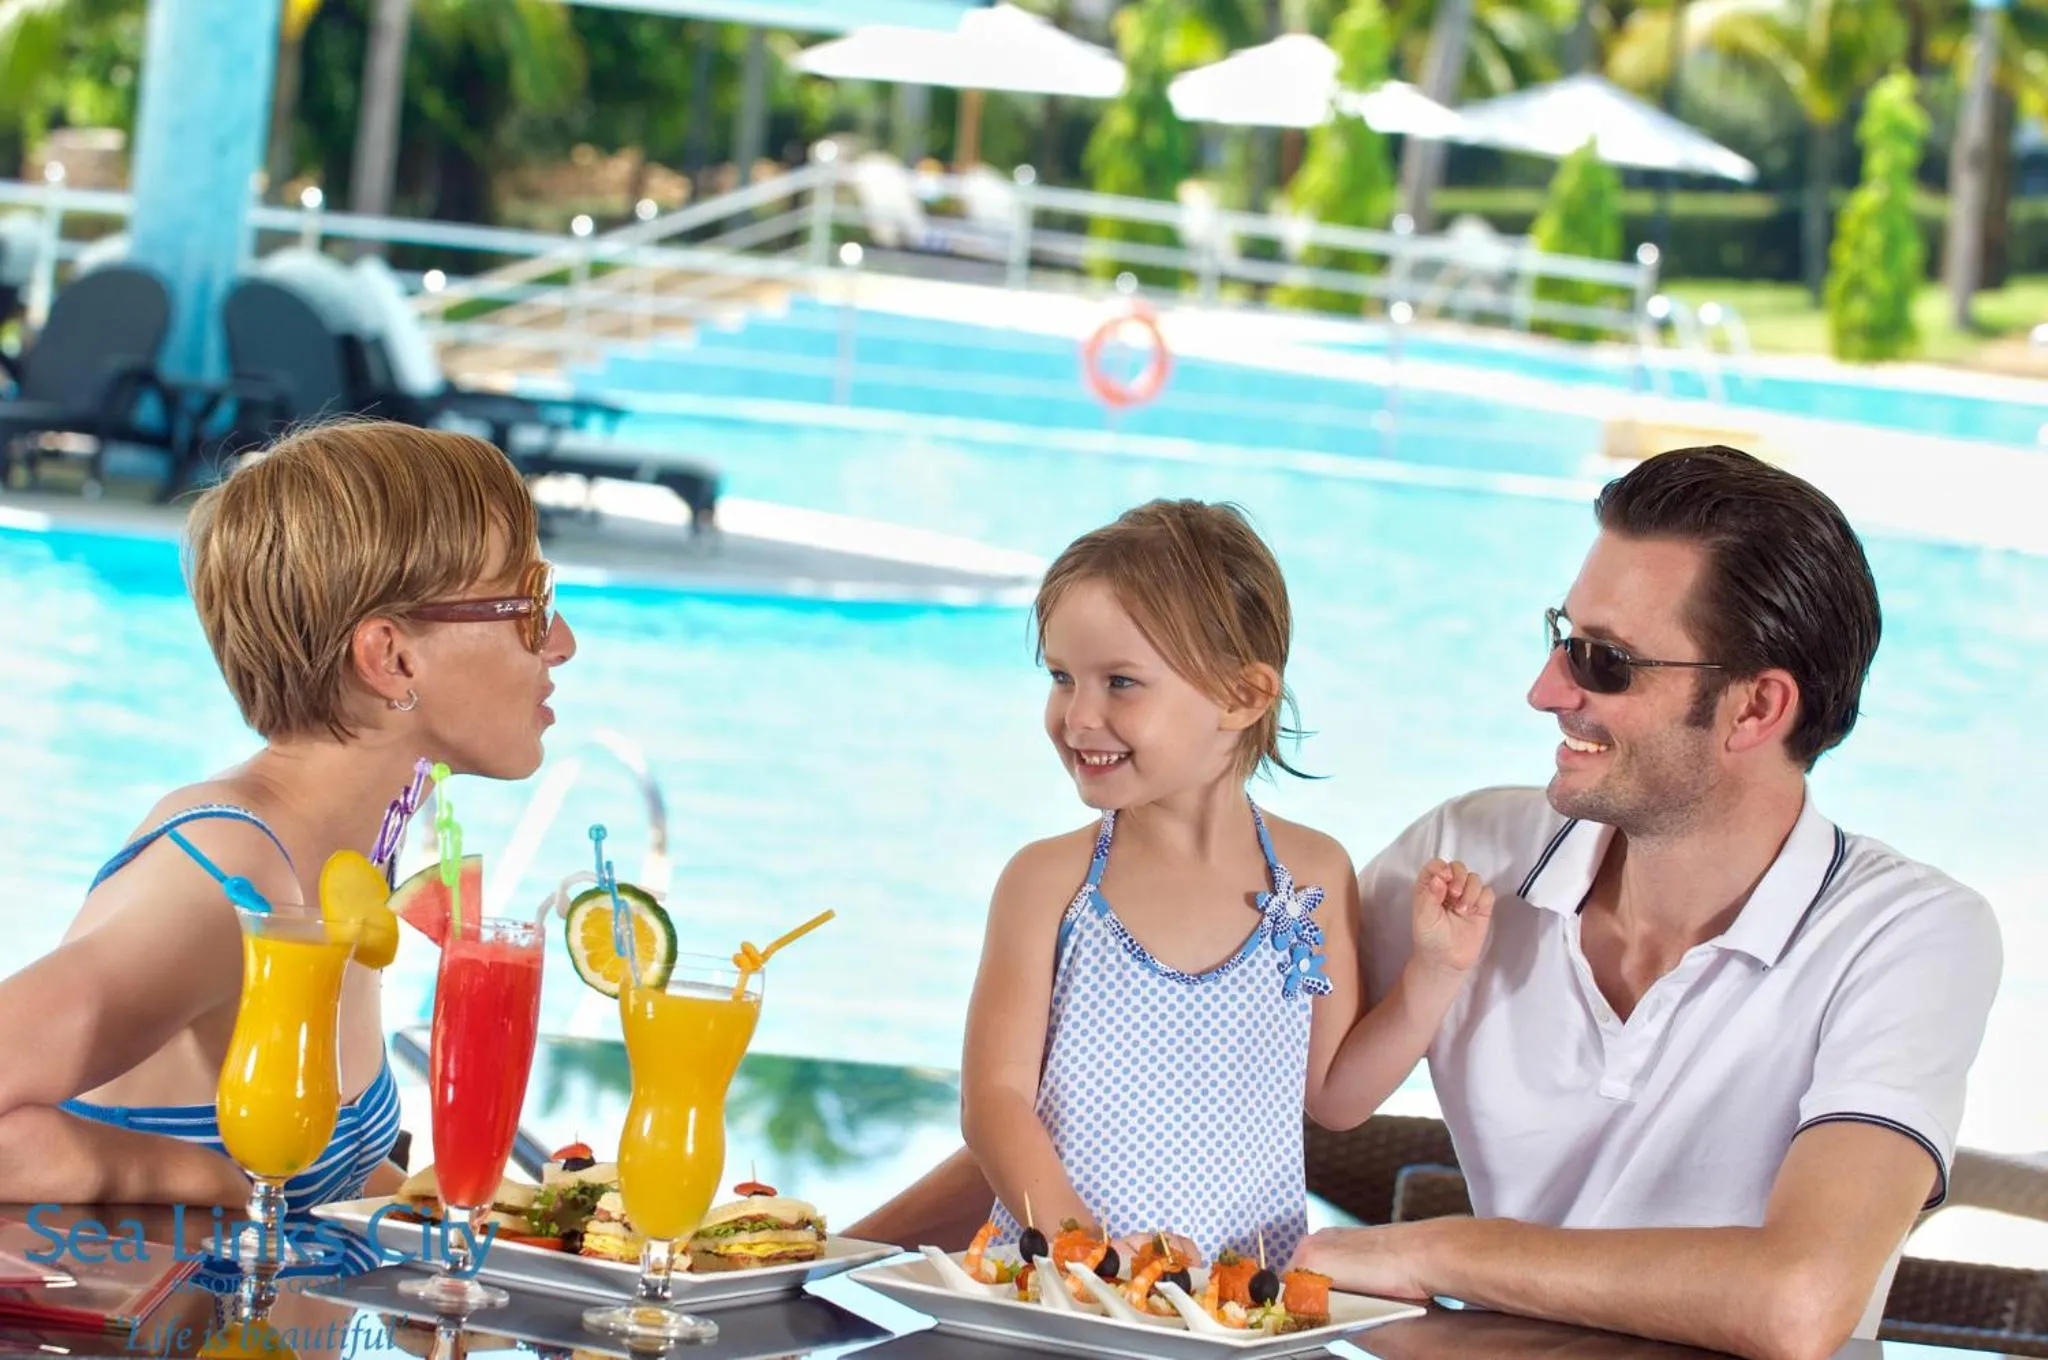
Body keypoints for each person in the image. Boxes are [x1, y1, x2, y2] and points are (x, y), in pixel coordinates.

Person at [850, 448, 2000, 1360]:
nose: (1544, 688)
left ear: (1754, 710)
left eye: (1602, 660)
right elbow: (1125, 1069)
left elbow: (1799, 1302)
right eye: (1560, 638)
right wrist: (817, 1274)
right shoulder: (1470, 849)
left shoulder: (1908, 939)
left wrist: (1423, 1253)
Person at [0, 420, 577, 1208]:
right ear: (391, 658)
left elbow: (320, 1177)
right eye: (531, 603)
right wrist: (192, 1176)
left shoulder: (356, 856)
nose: (562, 643)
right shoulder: (226, 880)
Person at [961, 499, 1491, 1265]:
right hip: (1060, 1291)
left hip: (1241, 1306)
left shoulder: (1310, 875)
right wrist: (1088, 1250)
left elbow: (1337, 1098)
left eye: (1120, 683)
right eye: (1061, 677)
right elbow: (994, 1104)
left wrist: (1433, 976)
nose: (1077, 715)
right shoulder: (1048, 883)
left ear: (1243, 696)